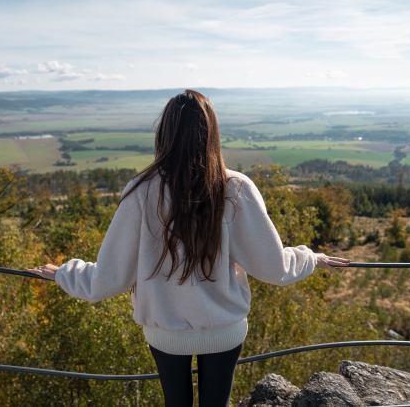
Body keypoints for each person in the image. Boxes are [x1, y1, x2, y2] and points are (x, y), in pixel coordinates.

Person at [26, 90, 349, 407]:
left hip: (165, 332)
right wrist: (312, 258)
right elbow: (274, 267)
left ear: (164, 133)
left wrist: (64, 274)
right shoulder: (235, 188)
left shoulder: (140, 191)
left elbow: (108, 277)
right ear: (211, 133)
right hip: (225, 329)